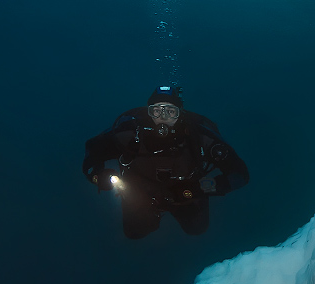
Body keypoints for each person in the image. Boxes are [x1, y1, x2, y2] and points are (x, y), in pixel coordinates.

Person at [82, 86, 249, 239]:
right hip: (140, 193)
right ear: (148, 113)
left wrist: (198, 189)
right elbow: (92, 151)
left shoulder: (199, 137)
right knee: (135, 232)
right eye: (156, 112)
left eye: (170, 112)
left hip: (187, 192)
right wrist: (98, 176)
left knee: (197, 228)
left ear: (180, 114)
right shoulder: (129, 133)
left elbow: (240, 174)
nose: (163, 119)